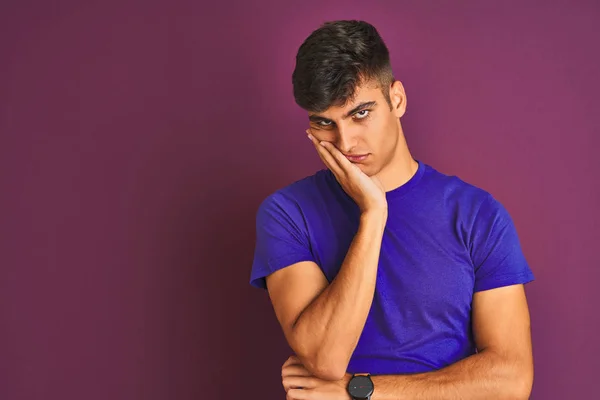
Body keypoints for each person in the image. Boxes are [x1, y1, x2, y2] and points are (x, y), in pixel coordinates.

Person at [249, 20, 534, 400]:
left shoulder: (477, 214)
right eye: (324, 123)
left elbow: (511, 378)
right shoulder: (287, 213)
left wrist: (359, 390)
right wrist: (373, 214)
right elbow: (325, 359)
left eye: (360, 114)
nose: (345, 142)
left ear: (396, 99)